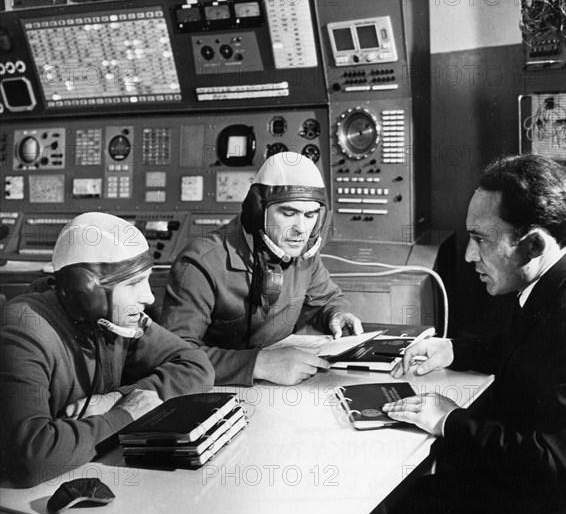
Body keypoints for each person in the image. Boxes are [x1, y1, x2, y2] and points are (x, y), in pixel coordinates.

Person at [383, 154, 566, 514]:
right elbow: (531, 353)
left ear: (532, 246)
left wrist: (450, 420)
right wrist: (455, 349)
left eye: (480, 239)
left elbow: (564, 470)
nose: (468, 254)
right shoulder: (561, 286)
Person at [0, 212, 215, 488]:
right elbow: (29, 458)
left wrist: (116, 399)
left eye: (147, 279)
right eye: (134, 283)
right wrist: (126, 415)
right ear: (86, 293)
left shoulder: (114, 318)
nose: (148, 297)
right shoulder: (24, 327)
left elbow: (196, 365)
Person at [161, 152, 363, 386]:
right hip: (209, 389)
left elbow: (327, 300)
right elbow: (174, 356)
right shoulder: (201, 261)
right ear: (257, 211)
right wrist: (259, 363)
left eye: (310, 215)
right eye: (289, 213)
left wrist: (337, 313)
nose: (301, 229)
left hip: (276, 388)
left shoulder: (303, 253)